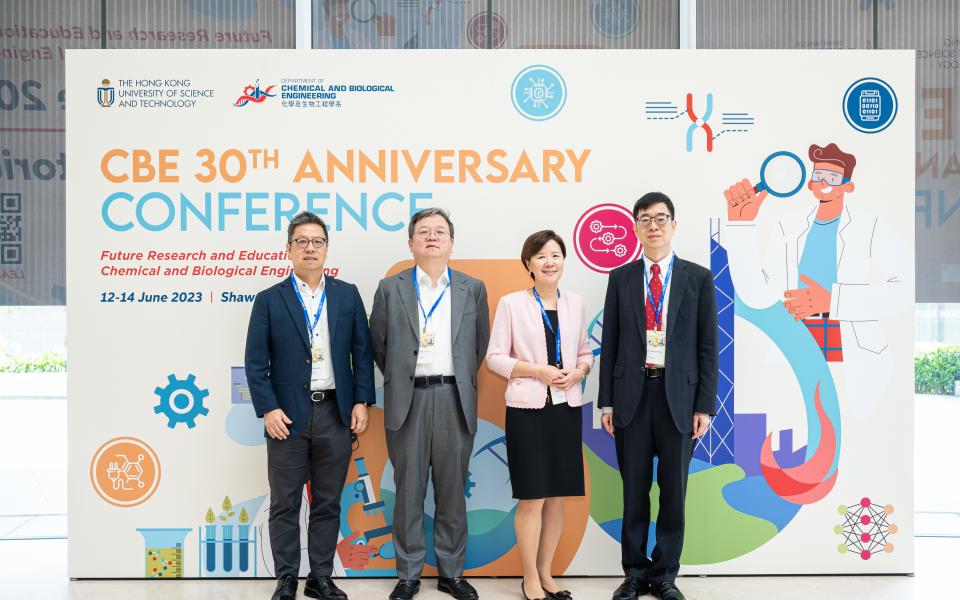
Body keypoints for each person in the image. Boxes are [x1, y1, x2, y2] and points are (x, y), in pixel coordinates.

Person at [245, 211, 375, 600]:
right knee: (284, 500)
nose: (309, 248)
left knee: (328, 499)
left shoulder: (347, 295)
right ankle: (286, 577)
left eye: (317, 241)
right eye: (301, 241)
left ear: (326, 248)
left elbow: (361, 352)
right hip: (287, 417)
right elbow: (255, 363)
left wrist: (362, 401)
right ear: (288, 250)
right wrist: (268, 409)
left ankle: (320, 577)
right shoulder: (269, 300)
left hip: (336, 412)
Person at [598, 193, 718, 600]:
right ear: (635, 227)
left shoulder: (697, 277)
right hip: (632, 397)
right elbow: (609, 343)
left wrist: (704, 405)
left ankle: (664, 576)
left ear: (674, 224)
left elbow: (708, 347)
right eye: (645, 219)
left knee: (673, 492)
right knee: (633, 492)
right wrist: (607, 403)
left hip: (678, 400)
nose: (654, 225)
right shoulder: (621, 278)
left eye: (661, 218)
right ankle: (634, 573)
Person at [369, 207, 490, 600]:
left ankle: (451, 572)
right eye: (424, 232)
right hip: (408, 399)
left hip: (454, 398)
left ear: (452, 242)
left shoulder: (473, 288)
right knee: (408, 491)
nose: (432, 237)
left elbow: (478, 345)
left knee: (453, 490)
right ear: (411, 243)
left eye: (440, 232)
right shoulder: (391, 287)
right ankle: (408, 574)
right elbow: (379, 346)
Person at [485, 230, 594, 600]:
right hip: (528, 409)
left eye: (556, 255)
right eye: (542, 256)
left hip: (566, 408)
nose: (550, 262)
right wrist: (538, 371)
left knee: (558, 497)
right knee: (532, 497)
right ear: (528, 263)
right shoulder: (512, 303)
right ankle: (529, 577)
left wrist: (580, 371)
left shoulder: (576, 302)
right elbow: (495, 358)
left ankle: (547, 574)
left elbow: (584, 351)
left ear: (564, 261)